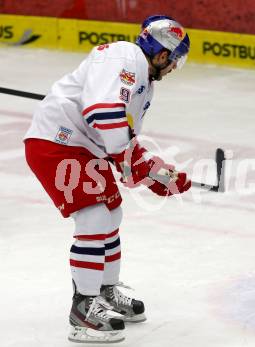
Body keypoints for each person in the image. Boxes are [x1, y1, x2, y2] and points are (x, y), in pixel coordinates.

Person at [24, 15, 191, 343]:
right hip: (56, 143)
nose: (173, 68)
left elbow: (122, 143)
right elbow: (102, 113)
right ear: (161, 55)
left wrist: (154, 174)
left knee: (112, 214)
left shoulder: (143, 81)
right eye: (174, 61)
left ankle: (104, 291)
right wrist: (139, 164)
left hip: (82, 148)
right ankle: (83, 310)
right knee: (94, 217)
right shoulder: (124, 56)